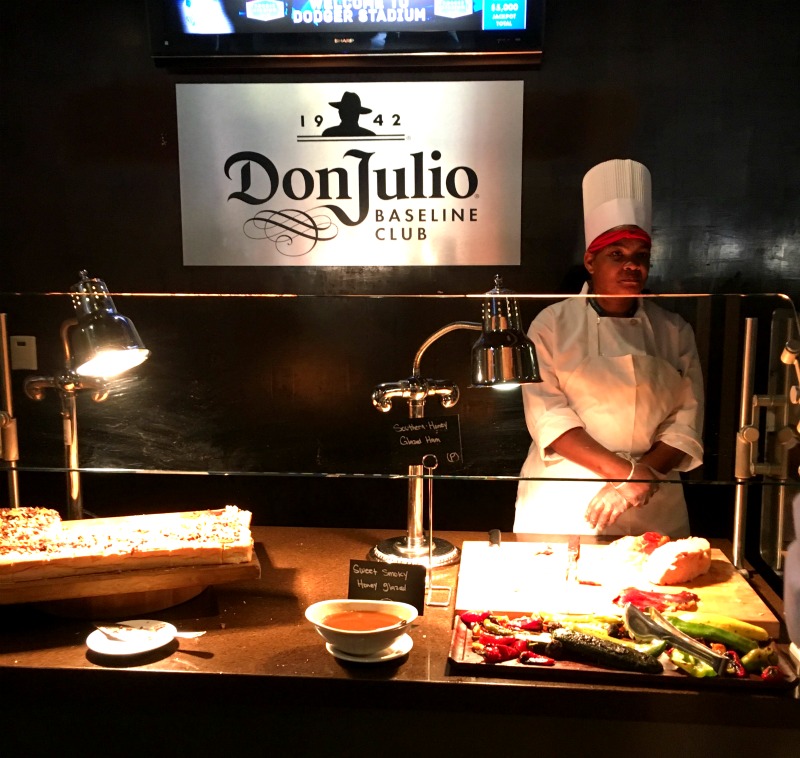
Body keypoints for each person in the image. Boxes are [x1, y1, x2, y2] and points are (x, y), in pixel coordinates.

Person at [514, 159, 704, 537]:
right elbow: (549, 418)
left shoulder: (674, 330)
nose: (631, 266)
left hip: (654, 502)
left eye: (640, 256)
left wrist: (639, 481)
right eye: (617, 254)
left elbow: (686, 423)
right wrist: (626, 475)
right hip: (566, 501)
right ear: (590, 261)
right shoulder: (551, 325)